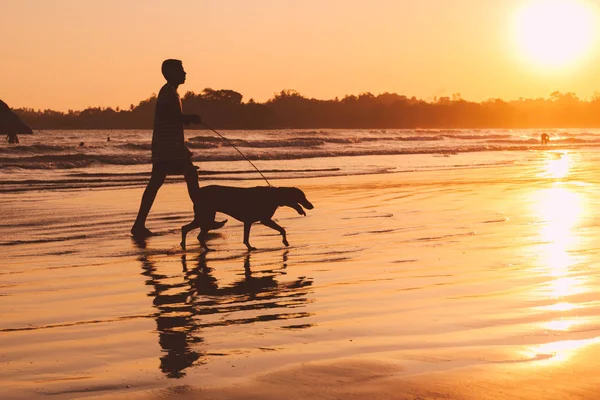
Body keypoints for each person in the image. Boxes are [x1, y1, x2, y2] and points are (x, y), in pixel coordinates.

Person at [131, 59, 225, 238]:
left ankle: (139, 224)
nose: (184, 73)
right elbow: (167, 114)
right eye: (181, 70)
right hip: (168, 147)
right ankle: (203, 218)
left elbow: (171, 116)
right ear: (171, 73)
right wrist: (185, 117)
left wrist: (185, 118)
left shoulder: (171, 92)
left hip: (168, 146)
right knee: (186, 176)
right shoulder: (167, 92)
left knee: (160, 182)